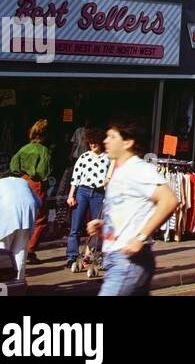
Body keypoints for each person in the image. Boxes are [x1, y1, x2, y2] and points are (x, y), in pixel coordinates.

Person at [86, 120, 178, 296]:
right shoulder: (120, 171)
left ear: (128, 142)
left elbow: (169, 200)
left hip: (128, 261)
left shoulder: (138, 169)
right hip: (118, 259)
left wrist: (141, 237)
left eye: (112, 136)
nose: (105, 140)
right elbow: (129, 212)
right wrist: (104, 227)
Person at [65, 128, 110, 274]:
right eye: (90, 143)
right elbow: (75, 178)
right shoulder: (84, 157)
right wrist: (71, 195)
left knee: (97, 228)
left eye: (95, 143)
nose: (92, 145)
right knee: (75, 226)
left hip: (99, 193)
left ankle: (94, 256)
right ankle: (72, 256)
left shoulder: (108, 158)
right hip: (82, 191)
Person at [0, 172, 41, 282]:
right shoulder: (23, 182)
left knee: (1, 255)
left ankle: (3, 288)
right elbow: (38, 202)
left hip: (5, 218)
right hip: (26, 218)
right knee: (20, 253)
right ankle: (18, 285)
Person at [9, 118, 52, 263]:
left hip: (22, 180)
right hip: (36, 183)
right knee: (40, 218)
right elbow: (43, 171)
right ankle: (30, 250)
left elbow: (14, 166)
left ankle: (18, 248)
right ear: (45, 135)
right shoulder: (43, 150)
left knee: (22, 215)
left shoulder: (24, 148)